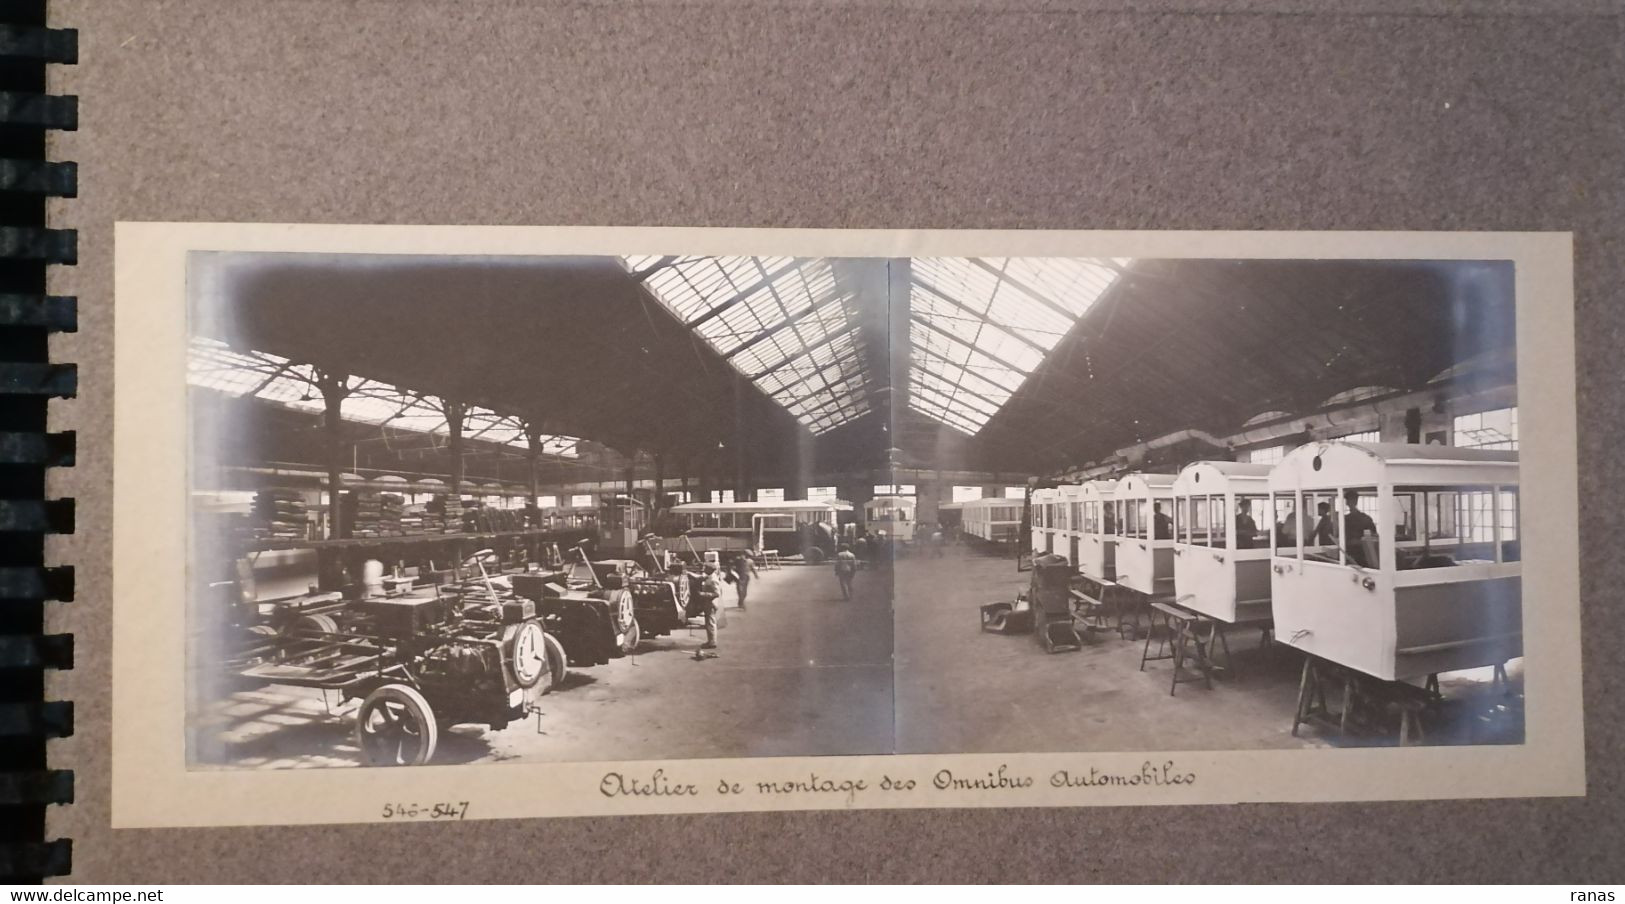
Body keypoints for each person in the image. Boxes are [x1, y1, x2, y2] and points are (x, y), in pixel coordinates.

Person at [1343, 489, 1377, 567]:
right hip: (1348, 553)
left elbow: (1373, 536)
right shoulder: (1345, 519)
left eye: (1351, 500)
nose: (1349, 502)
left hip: (1363, 554)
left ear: (1355, 501)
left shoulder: (1365, 518)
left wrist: (1359, 541)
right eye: (1348, 500)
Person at [697, 564, 723, 650]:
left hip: (711, 603)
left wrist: (702, 594)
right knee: (709, 622)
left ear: (710, 570)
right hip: (709, 603)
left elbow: (717, 593)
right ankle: (710, 641)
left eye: (706, 568)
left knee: (710, 623)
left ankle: (712, 642)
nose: (704, 569)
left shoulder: (713, 579)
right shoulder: (710, 576)